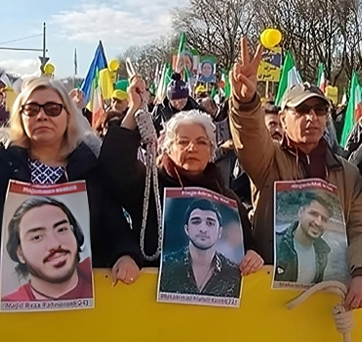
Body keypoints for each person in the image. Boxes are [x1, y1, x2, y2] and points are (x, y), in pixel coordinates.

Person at [0, 52, 141, 282]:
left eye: (52, 109)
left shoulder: (90, 169)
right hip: (7, 294)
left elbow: (113, 225)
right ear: (20, 118)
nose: (42, 116)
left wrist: (124, 255)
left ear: (68, 116)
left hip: (76, 295)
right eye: (32, 110)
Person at [228, 37, 362, 310]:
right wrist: (245, 101)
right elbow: (249, 138)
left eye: (320, 110)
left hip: (328, 296)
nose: (312, 118)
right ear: (283, 119)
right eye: (301, 110)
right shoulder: (268, 161)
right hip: (270, 294)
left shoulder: (346, 171)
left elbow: (361, 227)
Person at [101, 76, 263, 273]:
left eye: (201, 142)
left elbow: (247, 244)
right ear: (168, 148)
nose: (192, 148)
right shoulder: (149, 188)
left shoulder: (227, 199)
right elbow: (114, 166)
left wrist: (252, 254)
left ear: (211, 150)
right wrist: (134, 109)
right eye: (183, 142)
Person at [2, 196, 94, 301]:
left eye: (61, 229)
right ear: (20, 254)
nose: (54, 244)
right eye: (37, 237)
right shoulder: (11, 302)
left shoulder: (98, 278)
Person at [159, 198, 242, 296]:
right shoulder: (167, 266)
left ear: (220, 232)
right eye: (196, 222)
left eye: (210, 223)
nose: (203, 229)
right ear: (186, 229)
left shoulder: (232, 272)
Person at [274, 192, 334, 284]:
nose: (318, 223)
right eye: (313, 214)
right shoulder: (277, 244)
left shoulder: (323, 252)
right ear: (300, 212)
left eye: (324, 219)